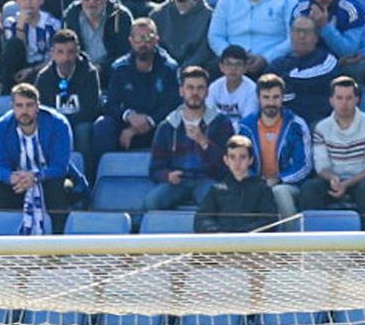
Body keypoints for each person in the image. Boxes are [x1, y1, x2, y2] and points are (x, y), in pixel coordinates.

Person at [0, 81, 87, 230]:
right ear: (12, 107)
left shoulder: (58, 123)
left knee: (57, 189)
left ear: (37, 106)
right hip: (18, 183)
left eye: (29, 105)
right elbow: (0, 166)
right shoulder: (2, 127)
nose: (24, 111)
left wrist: (34, 177)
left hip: (49, 179)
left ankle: (58, 242)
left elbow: (60, 167)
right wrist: (12, 178)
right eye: (19, 106)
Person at [146, 65, 233, 211]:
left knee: (215, 201)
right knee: (152, 202)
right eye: (190, 88)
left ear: (207, 92)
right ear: (181, 91)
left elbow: (229, 165)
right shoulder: (167, 126)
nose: (195, 93)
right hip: (178, 182)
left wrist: (204, 143)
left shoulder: (221, 123)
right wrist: (167, 176)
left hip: (208, 180)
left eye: (200, 88)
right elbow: (154, 168)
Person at [92, 19, 180, 161]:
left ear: (156, 40)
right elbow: (110, 103)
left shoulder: (170, 68)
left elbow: (173, 106)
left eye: (148, 38)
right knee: (103, 125)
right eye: (138, 38)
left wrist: (145, 123)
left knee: (174, 125)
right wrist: (129, 116)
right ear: (131, 41)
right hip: (126, 126)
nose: (143, 43)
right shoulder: (119, 68)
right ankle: (101, 175)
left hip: (157, 127)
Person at [301, 75, 365, 223]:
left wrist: (346, 184)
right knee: (310, 189)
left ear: (357, 100)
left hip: (360, 180)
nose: (344, 103)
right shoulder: (321, 128)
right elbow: (321, 167)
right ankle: (314, 239)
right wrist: (333, 179)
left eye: (349, 98)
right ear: (331, 100)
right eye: (339, 98)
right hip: (333, 180)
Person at [238, 72, 311, 220]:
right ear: (258, 98)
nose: (271, 102)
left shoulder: (296, 125)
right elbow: (240, 163)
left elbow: (304, 165)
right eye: (266, 97)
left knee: (279, 192)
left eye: (275, 97)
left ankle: (291, 240)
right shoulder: (245, 127)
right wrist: (258, 182)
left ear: (282, 98)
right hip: (256, 182)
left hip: (289, 184)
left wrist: (279, 179)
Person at [299, 0, 365, 86]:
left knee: (354, 69)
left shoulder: (351, 9)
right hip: (318, 59)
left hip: (351, 61)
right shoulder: (301, 9)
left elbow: (348, 51)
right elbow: (296, 46)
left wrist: (324, 26)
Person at [196, 132, 277, 233]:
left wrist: (244, 233)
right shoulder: (216, 190)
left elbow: (269, 220)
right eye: (232, 157)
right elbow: (201, 219)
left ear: (250, 160)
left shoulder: (262, 189)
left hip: (252, 244)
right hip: (221, 244)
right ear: (226, 160)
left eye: (242, 157)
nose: (237, 163)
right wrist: (219, 233)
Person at [269, 14, 343, 124]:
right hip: (281, 122)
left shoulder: (327, 61)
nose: (301, 36)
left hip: (316, 121)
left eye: (307, 32)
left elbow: (309, 79)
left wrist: (287, 82)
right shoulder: (278, 64)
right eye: (297, 31)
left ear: (316, 37)